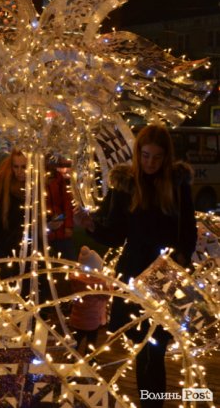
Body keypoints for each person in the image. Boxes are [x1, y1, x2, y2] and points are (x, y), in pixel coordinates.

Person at [75, 124, 196, 407]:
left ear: (166, 157)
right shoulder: (126, 185)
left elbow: (187, 233)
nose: (150, 162)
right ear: (138, 154)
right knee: (143, 346)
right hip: (134, 272)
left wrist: (180, 260)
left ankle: (152, 402)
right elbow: (116, 234)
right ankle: (150, 401)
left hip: (166, 275)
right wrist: (92, 225)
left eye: (157, 157)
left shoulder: (178, 185)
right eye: (146, 155)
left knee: (157, 347)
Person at [0, 150, 27, 266]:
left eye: (24, 167)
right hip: (5, 249)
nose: (19, 172)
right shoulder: (1, 191)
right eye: (16, 167)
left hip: (27, 249)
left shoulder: (34, 190)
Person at [69, 246, 108, 355]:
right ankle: (89, 360)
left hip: (77, 319)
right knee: (91, 343)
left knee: (75, 341)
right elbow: (107, 295)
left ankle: (70, 358)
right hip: (92, 321)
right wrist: (109, 283)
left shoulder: (76, 278)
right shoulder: (98, 283)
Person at [45, 156, 76, 261]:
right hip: (45, 231)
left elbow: (66, 202)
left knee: (69, 261)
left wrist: (68, 225)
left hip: (61, 229)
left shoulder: (57, 177)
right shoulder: (35, 178)